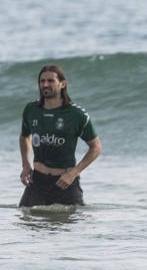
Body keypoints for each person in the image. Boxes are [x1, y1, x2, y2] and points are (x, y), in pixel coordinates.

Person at [19, 65, 102, 207]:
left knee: (71, 226)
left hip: (65, 182)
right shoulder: (31, 110)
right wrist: (26, 165)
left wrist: (74, 173)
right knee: (26, 223)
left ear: (62, 84)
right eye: (42, 81)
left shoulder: (77, 114)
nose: (45, 84)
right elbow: (24, 136)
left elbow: (96, 147)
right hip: (37, 182)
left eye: (51, 81)